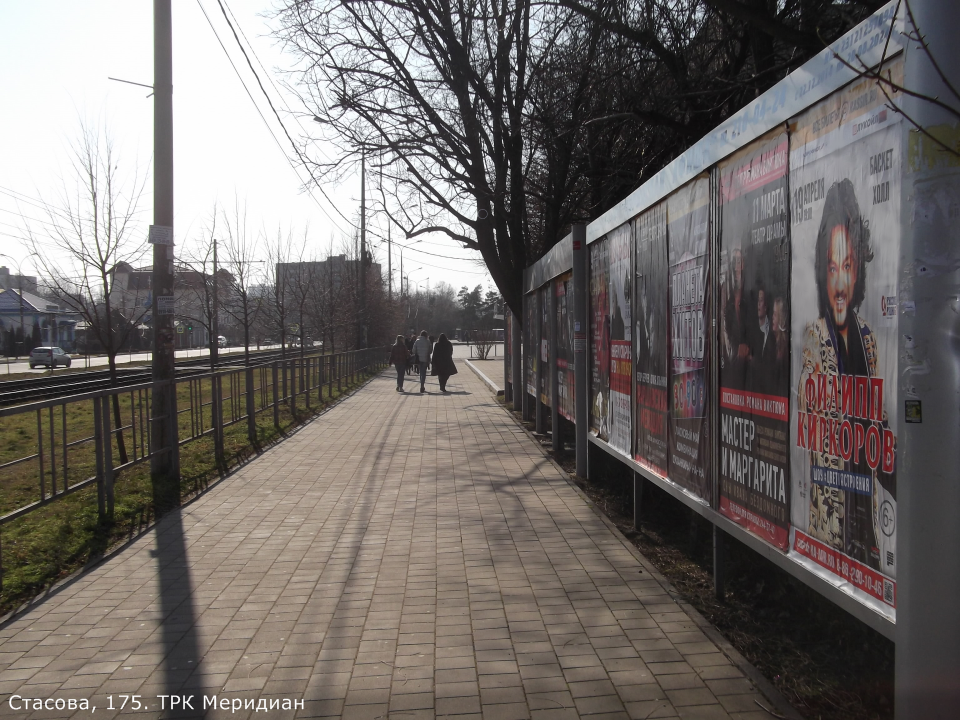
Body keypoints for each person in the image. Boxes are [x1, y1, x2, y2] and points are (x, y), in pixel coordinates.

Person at [798, 178, 894, 575]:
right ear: (824, 272)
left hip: (865, 518)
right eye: (833, 267)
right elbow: (819, 431)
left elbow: (874, 419)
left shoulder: (868, 338)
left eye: (849, 266)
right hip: (833, 524)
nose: (840, 283)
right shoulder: (814, 340)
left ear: (858, 272)